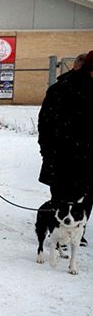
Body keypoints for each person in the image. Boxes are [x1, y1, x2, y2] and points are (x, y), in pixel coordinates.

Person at [38, 50, 93, 204]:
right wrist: (48, 152)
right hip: (64, 159)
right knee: (63, 205)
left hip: (77, 160)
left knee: (82, 208)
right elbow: (46, 124)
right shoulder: (62, 89)